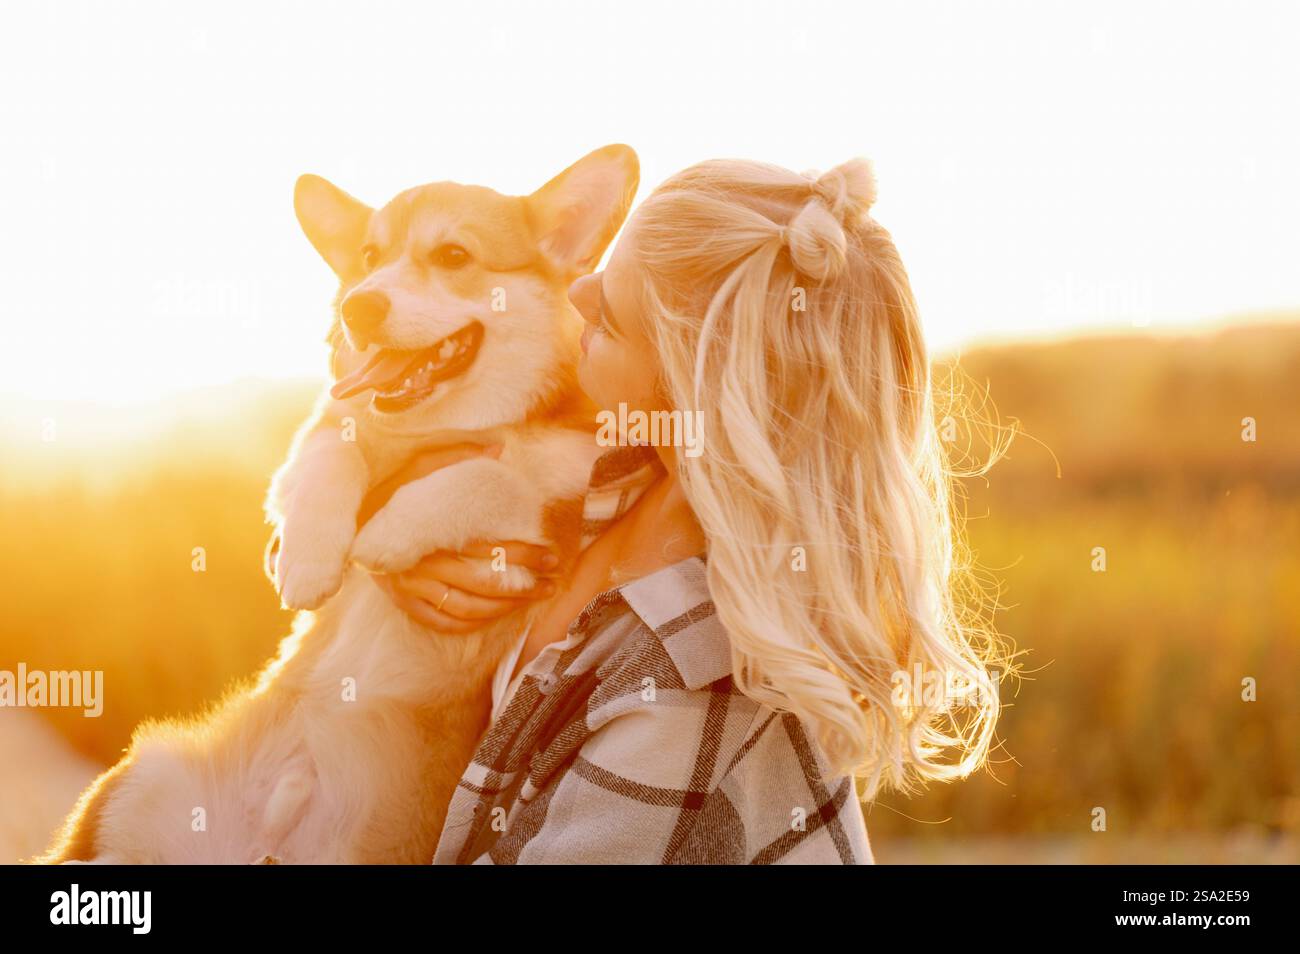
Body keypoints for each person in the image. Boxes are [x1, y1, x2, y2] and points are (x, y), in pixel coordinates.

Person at [365, 157, 1008, 864]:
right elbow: (441, 479)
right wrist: (395, 556)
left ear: (687, 382)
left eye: (609, 319)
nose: (575, 291)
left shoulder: (693, 688)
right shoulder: (630, 471)